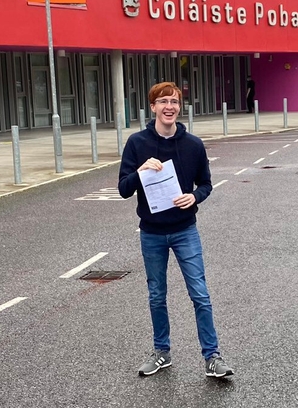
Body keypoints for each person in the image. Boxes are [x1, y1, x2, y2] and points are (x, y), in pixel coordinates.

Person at [118, 82, 234, 379]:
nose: (169, 106)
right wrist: (140, 171)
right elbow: (122, 189)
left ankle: (212, 356)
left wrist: (195, 196)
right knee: (157, 295)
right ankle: (161, 352)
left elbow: (206, 184)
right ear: (153, 107)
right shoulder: (137, 143)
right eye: (163, 101)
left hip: (185, 230)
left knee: (200, 294)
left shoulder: (193, 144)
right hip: (152, 232)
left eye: (174, 101)